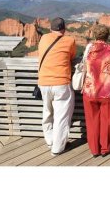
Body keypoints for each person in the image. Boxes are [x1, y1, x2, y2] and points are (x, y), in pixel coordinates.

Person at [82, 24, 110, 157]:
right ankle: (105, 148)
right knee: (107, 121)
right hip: (107, 91)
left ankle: (94, 149)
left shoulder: (89, 48)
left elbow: (84, 63)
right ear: (108, 35)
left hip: (90, 90)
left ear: (94, 35)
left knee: (92, 121)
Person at [38, 17, 76, 156]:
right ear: (64, 29)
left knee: (47, 112)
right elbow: (72, 56)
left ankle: (49, 140)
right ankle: (57, 148)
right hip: (61, 83)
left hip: (43, 82)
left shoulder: (43, 38)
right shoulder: (70, 40)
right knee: (61, 117)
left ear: (50, 29)